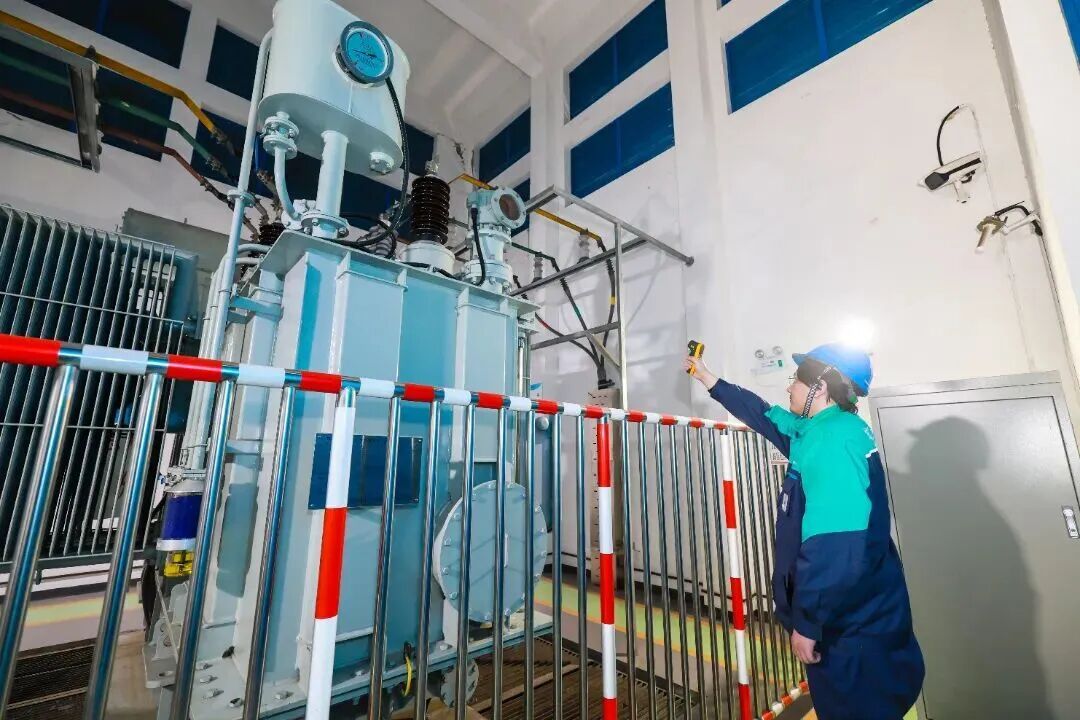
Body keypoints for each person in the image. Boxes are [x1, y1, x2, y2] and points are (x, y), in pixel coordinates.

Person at [684, 343, 924, 720]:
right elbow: (763, 414)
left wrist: (809, 623)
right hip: (855, 615)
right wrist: (708, 378)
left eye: (795, 380)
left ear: (820, 387)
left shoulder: (832, 442)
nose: (789, 387)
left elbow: (836, 547)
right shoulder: (820, 430)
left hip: (848, 629)